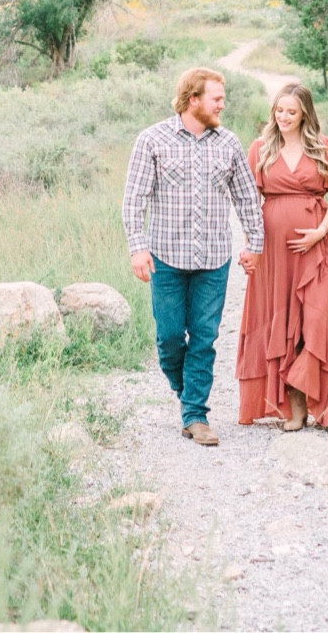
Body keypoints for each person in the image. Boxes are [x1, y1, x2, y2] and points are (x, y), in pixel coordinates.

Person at [122, 66, 265, 447]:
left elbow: (247, 198)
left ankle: (196, 416)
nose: (222, 104)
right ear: (193, 100)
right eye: (216, 98)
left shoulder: (229, 144)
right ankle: (187, 393)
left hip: (213, 259)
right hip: (165, 257)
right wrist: (137, 247)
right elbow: (134, 199)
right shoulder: (152, 140)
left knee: (204, 338)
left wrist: (255, 244)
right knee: (169, 338)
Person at [235, 81, 328, 431]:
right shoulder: (260, 148)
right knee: (280, 321)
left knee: (315, 319)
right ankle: (294, 409)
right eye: (279, 111)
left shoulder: (322, 147)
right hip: (273, 252)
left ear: (304, 115)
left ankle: (324, 407)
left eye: (291, 112)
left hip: (316, 248)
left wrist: (321, 231)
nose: (283, 117)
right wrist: (251, 245)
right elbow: (247, 200)